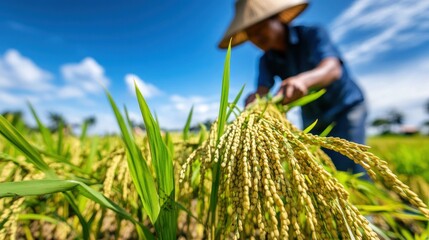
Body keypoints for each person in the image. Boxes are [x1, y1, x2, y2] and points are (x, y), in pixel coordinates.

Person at [218, 0, 368, 177]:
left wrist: (304, 81)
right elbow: (262, 90)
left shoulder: (311, 34)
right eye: (250, 35)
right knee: (319, 170)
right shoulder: (266, 60)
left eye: (259, 28)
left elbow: (333, 68)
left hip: (345, 106)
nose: (257, 38)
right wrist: (255, 100)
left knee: (350, 168)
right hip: (312, 115)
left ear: (277, 19)